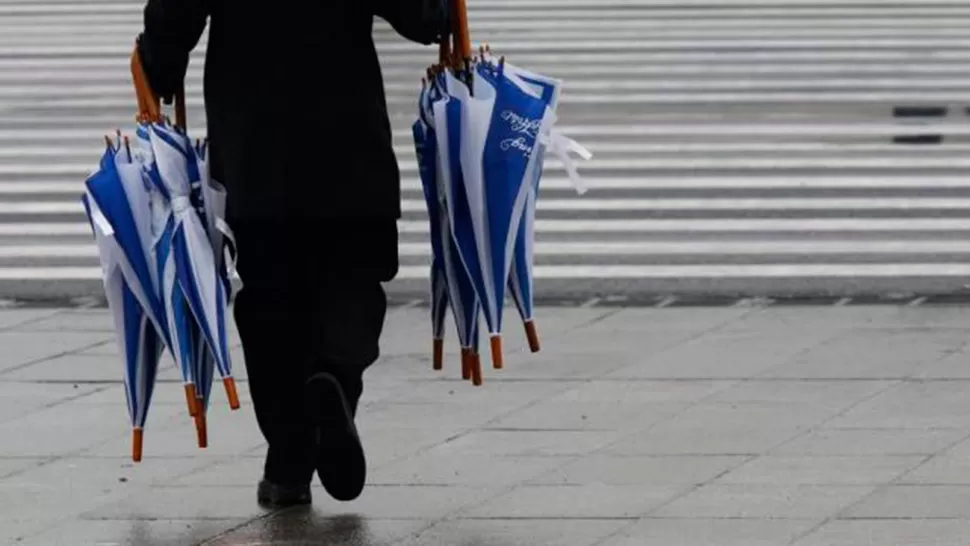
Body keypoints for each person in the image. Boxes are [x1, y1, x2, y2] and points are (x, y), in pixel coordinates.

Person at [136, 0, 452, 507]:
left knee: (268, 297)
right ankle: (334, 376)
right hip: (347, 137)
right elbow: (420, 16)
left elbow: (176, 14)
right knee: (353, 280)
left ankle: (288, 460)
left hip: (252, 140)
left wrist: (158, 62)